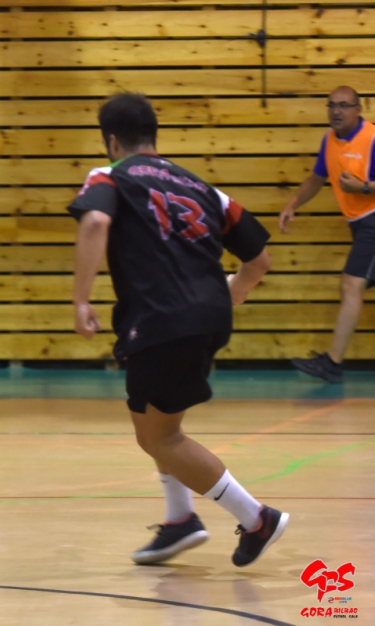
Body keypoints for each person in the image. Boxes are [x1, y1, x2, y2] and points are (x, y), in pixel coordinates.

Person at [69, 93, 287, 566]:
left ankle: (256, 519)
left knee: (161, 438)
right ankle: (179, 520)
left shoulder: (111, 174)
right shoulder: (204, 189)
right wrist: (229, 294)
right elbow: (260, 261)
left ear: (112, 141)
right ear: (154, 135)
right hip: (201, 316)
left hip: (162, 318)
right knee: (152, 422)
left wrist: (81, 299)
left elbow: (96, 222)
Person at [280, 86, 375, 384]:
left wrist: (363, 188)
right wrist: (293, 203)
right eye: (332, 105)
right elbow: (316, 178)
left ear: (358, 109)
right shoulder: (330, 140)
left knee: (350, 285)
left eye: (344, 105)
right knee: (351, 289)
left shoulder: (372, 138)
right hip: (359, 224)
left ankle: (332, 363)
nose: (336, 111)